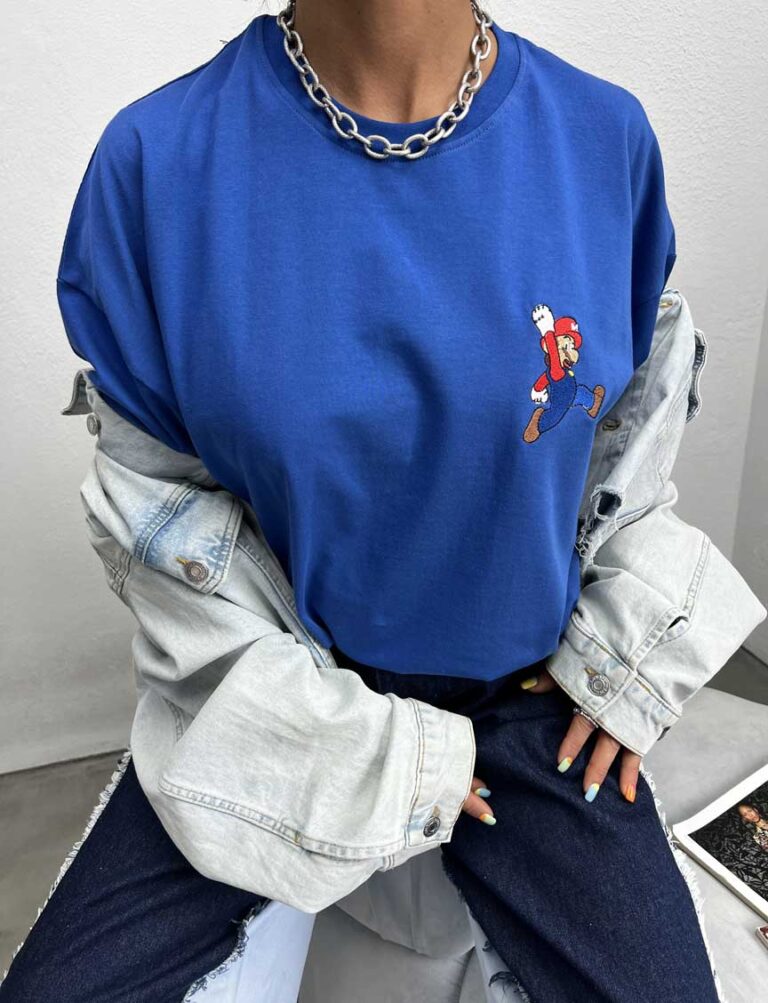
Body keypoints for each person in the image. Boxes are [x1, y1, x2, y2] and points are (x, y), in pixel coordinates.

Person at [0, 1, 724, 1000]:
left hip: (532, 699)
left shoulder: (604, 141)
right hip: (277, 699)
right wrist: (363, 754)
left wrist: (625, 655)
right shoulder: (157, 165)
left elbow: (630, 439)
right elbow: (158, 509)